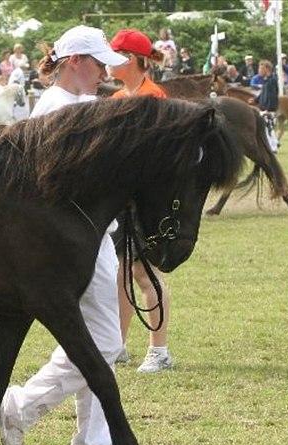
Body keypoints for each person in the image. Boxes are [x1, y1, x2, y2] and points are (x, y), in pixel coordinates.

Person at [0, 25, 129, 445]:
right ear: (75, 61)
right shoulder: (53, 110)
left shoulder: (85, 105)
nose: (103, 72)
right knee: (105, 340)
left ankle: (93, 444)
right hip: (74, 240)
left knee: (99, 340)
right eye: (97, 63)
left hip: (94, 236)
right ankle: (22, 405)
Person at [106, 29, 174, 374]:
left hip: (148, 202)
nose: (107, 61)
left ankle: (159, 352)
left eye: (115, 55)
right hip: (122, 201)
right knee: (120, 275)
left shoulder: (154, 97)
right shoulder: (118, 98)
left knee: (145, 275)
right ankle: (117, 345)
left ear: (131, 59)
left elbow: (161, 157)